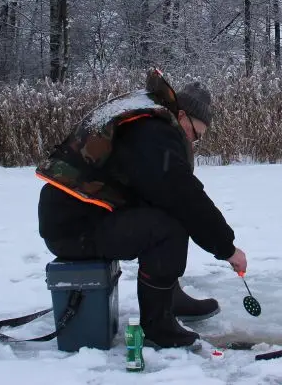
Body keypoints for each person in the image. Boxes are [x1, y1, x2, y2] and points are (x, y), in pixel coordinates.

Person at [36, 69, 248, 349]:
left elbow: (166, 194)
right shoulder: (154, 132)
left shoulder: (150, 123)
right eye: (196, 134)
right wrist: (227, 248)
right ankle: (158, 326)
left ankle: (170, 297)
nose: (194, 141)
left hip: (80, 219)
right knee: (166, 230)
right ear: (182, 116)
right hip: (74, 228)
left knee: (167, 213)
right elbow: (185, 196)